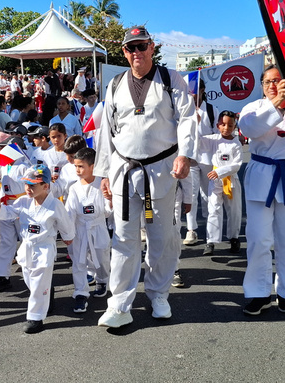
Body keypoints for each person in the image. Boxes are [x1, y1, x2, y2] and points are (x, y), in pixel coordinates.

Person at [94, 25, 196, 327]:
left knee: (161, 237)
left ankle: (158, 293)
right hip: (124, 171)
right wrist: (103, 173)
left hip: (162, 169)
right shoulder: (114, 85)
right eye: (130, 48)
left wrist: (184, 154)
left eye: (141, 46)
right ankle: (120, 303)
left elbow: (187, 117)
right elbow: (106, 133)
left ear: (152, 47)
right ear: (124, 52)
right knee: (124, 238)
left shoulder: (170, 79)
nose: (136, 52)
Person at [238, 66, 285, 315]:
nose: (272, 85)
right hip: (262, 175)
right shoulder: (253, 108)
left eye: (278, 81)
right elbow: (249, 129)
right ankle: (259, 292)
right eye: (268, 81)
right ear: (262, 85)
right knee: (258, 239)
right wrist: (276, 105)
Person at [0, 164, 75, 333]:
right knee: (30, 281)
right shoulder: (23, 202)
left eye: (33, 185)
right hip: (27, 247)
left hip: (44, 247)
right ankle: (46, 295)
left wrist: (68, 237)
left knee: (37, 284)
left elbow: (66, 224)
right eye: (26, 184)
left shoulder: (55, 206)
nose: (28, 188)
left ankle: (35, 317)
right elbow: (8, 213)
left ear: (45, 186)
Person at [65, 147, 112, 312]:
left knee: (102, 256)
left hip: (98, 225)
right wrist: (67, 232)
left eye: (81, 166)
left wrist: (110, 201)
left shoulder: (102, 183)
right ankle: (80, 293)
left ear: (93, 166)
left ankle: (102, 279)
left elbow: (107, 211)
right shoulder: (74, 188)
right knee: (79, 261)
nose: (77, 170)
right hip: (80, 228)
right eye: (76, 166)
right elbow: (69, 212)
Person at [0, 132, 29, 292]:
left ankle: (30, 272)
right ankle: (3, 276)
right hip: (6, 204)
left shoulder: (25, 166)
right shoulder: (4, 166)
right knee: (6, 242)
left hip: (22, 206)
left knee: (26, 239)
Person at [201, 110, 243, 255]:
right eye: (223, 124)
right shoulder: (213, 139)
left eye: (230, 125)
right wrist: (196, 122)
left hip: (231, 180)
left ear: (234, 126)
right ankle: (211, 241)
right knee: (213, 208)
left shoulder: (236, 143)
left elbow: (236, 165)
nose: (226, 128)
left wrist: (220, 172)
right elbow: (197, 141)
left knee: (234, 210)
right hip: (215, 181)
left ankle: (234, 238)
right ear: (218, 125)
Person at [185, 80, 218, 246]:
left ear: (203, 90)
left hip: (207, 159)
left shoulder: (211, 110)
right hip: (190, 159)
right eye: (189, 90)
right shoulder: (184, 110)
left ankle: (209, 229)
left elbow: (219, 135)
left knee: (208, 195)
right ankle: (191, 230)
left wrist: (203, 139)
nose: (192, 94)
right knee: (190, 195)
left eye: (195, 90)